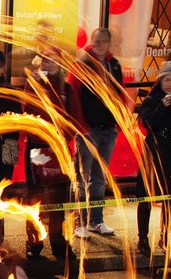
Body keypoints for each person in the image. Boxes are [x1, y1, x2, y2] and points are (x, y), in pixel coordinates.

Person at [68, 28, 123, 238]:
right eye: (97, 40)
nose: (100, 44)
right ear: (91, 42)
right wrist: (80, 125)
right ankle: (78, 222)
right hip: (88, 130)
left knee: (99, 178)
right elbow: (73, 94)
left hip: (108, 130)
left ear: (109, 43)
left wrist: (117, 122)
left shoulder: (114, 65)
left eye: (104, 41)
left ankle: (96, 221)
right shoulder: (82, 65)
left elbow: (119, 93)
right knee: (81, 177)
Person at [134, 61, 171, 257]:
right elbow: (147, 124)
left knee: (170, 196)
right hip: (153, 149)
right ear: (160, 80)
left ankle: (164, 237)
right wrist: (162, 107)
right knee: (146, 195)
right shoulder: (151, 99)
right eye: (167, 79)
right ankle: (142, 238)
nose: (170, 85)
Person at [22, 49, 71, 260]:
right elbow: (28, 110)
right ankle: (34, 242)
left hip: (59, 147)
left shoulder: (66, 87)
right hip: (37, 146)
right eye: (47, 62)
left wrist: (64, 138)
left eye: (54, 62)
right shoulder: (33, 84)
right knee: (36, 195)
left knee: (59, 195)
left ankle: (58, 242)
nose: (51, 65)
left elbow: (73, 116)